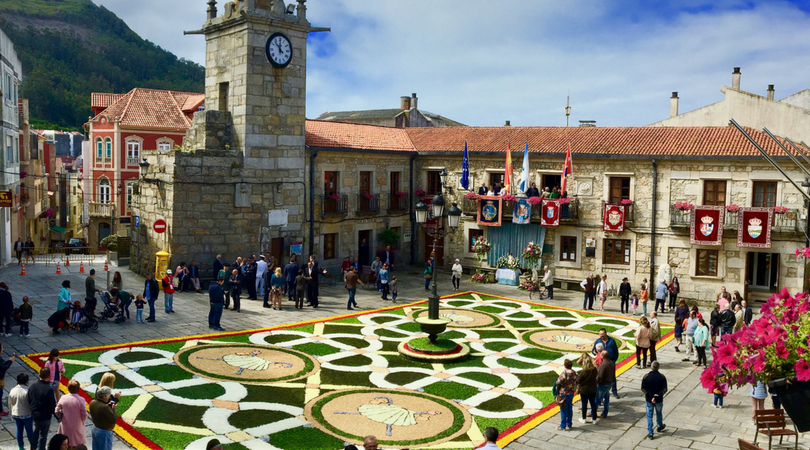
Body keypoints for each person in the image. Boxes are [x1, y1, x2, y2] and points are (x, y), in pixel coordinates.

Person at [28, 367, 57, 450]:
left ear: (39, 375)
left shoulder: (32, 386)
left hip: (35, 414)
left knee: (36, 430)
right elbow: (52, 404)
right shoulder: (48, 389)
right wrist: (57, 416)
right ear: (49, 376)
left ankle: (33, 447)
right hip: (45, 416)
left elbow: (29, 399)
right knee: (43, 435)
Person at [55, 379, 87, 447]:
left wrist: (60, 417)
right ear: (78, 389)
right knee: (77, 444)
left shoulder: (63, 398)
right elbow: (84, 414)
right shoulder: (81, 400)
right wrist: (82, 421)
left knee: (67, 444)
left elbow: (56, 411)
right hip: (77, 425)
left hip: (66, 424)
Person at [641, 361, 667, 440]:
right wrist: (657, 395)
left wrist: (652, 396)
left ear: (651, 367)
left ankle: (650, 433)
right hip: (659, 399)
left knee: (649, 416)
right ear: (658, 367)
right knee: (659, 413)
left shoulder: (646, 377)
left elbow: (643, 389)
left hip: (649, 399)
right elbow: (665, 389)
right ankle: (659, 426)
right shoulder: (662, 377)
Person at [591, 329, 620, 398]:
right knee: (601, 378)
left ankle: (614, 391)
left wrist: (613, 361)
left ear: (606, 334)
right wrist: (594, 352)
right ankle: (603, 392)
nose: (601, 337)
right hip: (601, 365)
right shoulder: (598, 341)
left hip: (610, 363)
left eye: (603, 335)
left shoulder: (612, 341)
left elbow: (616, 352)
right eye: (600, 335)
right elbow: (593, 350)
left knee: (612, 377)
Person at [10, 373, 35, 450]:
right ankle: (33, 444)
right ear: (26, 381)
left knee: (19, 431)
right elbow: (31, 404)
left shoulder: (12, 390)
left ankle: (21, 446)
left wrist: (11, 414)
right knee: (29, 431)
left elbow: (10, 403)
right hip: (27, 414)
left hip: (16, 414)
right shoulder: (27, 391)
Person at [89, 386, 117, 450]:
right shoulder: (105, 408)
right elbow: (113, 420)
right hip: (104, 433)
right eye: (108, 396)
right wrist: (113, 409)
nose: (109, 397)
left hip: (95, 428)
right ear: (105, 397)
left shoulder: (92, 402)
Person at [555, 359, 577, 430]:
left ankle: (562, 425)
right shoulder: (573, 372)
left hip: (564, 394)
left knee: (563, 410)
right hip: (571, 393)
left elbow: (558, 382)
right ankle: (569, 423)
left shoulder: (564, 373)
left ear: (565, 365)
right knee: (569, 409)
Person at [576, 353, 598, 425]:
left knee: (584, 404)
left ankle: (584, 418)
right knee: (593, 404)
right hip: (593, 389)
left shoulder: (583, 372)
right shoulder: (594, 370)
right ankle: (594, 419)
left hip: (584, 391)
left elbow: (579, 381)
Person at [596, 350, 616, 417]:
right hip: (609, 383)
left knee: (597, 398)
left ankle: (592, 412)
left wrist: (597, 383)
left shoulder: (603, 365)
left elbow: (600, 376)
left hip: (603, 384)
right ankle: (605, 412)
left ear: (602, 356)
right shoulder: (611, 362)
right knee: (606, 398)